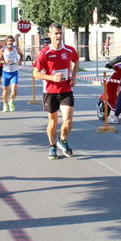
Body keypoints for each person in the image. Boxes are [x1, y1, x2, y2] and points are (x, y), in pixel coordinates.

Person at [33, 23, 79, 160]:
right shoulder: (45, 53)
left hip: (66, 90)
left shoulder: (70, 50)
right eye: (56, 33)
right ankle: (52, 146)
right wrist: (51, 77)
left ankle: (63, 140)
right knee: (53, 122)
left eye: (60, 33)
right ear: (50, 34)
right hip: (50, 92)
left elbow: (76, 62)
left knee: (69, 121)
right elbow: (35, 73)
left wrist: (74, 77)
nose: (58, 36)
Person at [0, 35, 24, 112]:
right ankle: (5, 104)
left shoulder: (16, 48)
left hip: (14, 72)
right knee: (5, 90)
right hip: (6, 72)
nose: (10, 42)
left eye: (11, 41)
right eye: (8, 41)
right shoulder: (3, 50)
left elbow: (22, 55)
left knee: (14, 90)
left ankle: (11, 102)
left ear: (13, 41)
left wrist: (20, 61)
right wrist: (5, 62)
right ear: (6, 42)